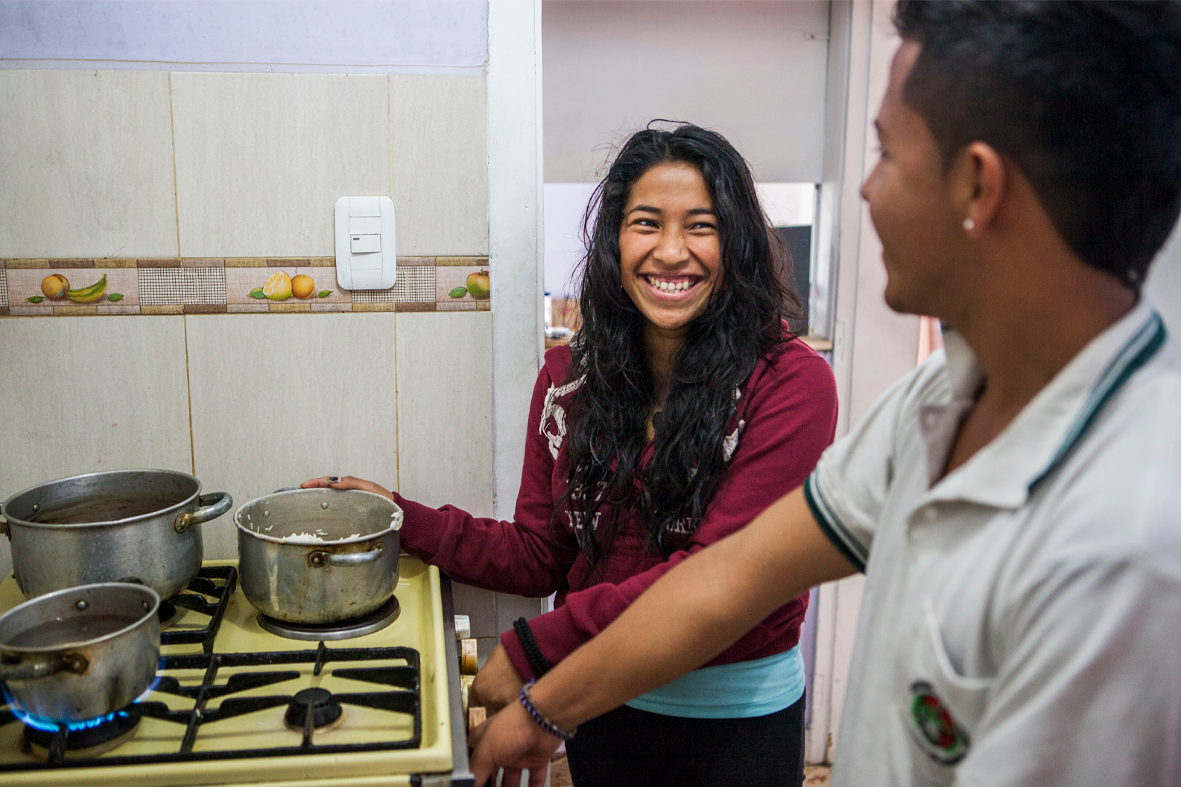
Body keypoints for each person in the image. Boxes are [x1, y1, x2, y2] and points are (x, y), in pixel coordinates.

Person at [468, 2, 1181, 786]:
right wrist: (547, 702)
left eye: (885, 152)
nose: (866, 189)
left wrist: (541, 684)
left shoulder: (1129, 552)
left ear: (977, 186)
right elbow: (727, 578)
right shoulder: (934, 405)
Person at [305, 124, 839, 785]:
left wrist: (537, 647)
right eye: (646, 223)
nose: (670, 251)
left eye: (699, 226)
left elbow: (719, 579)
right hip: (598, 702)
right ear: (615, 240)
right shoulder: (567, 379)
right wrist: (402, 518)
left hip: (733, 720)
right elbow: (542, 554)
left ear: (736, 243)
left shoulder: (790, 381)